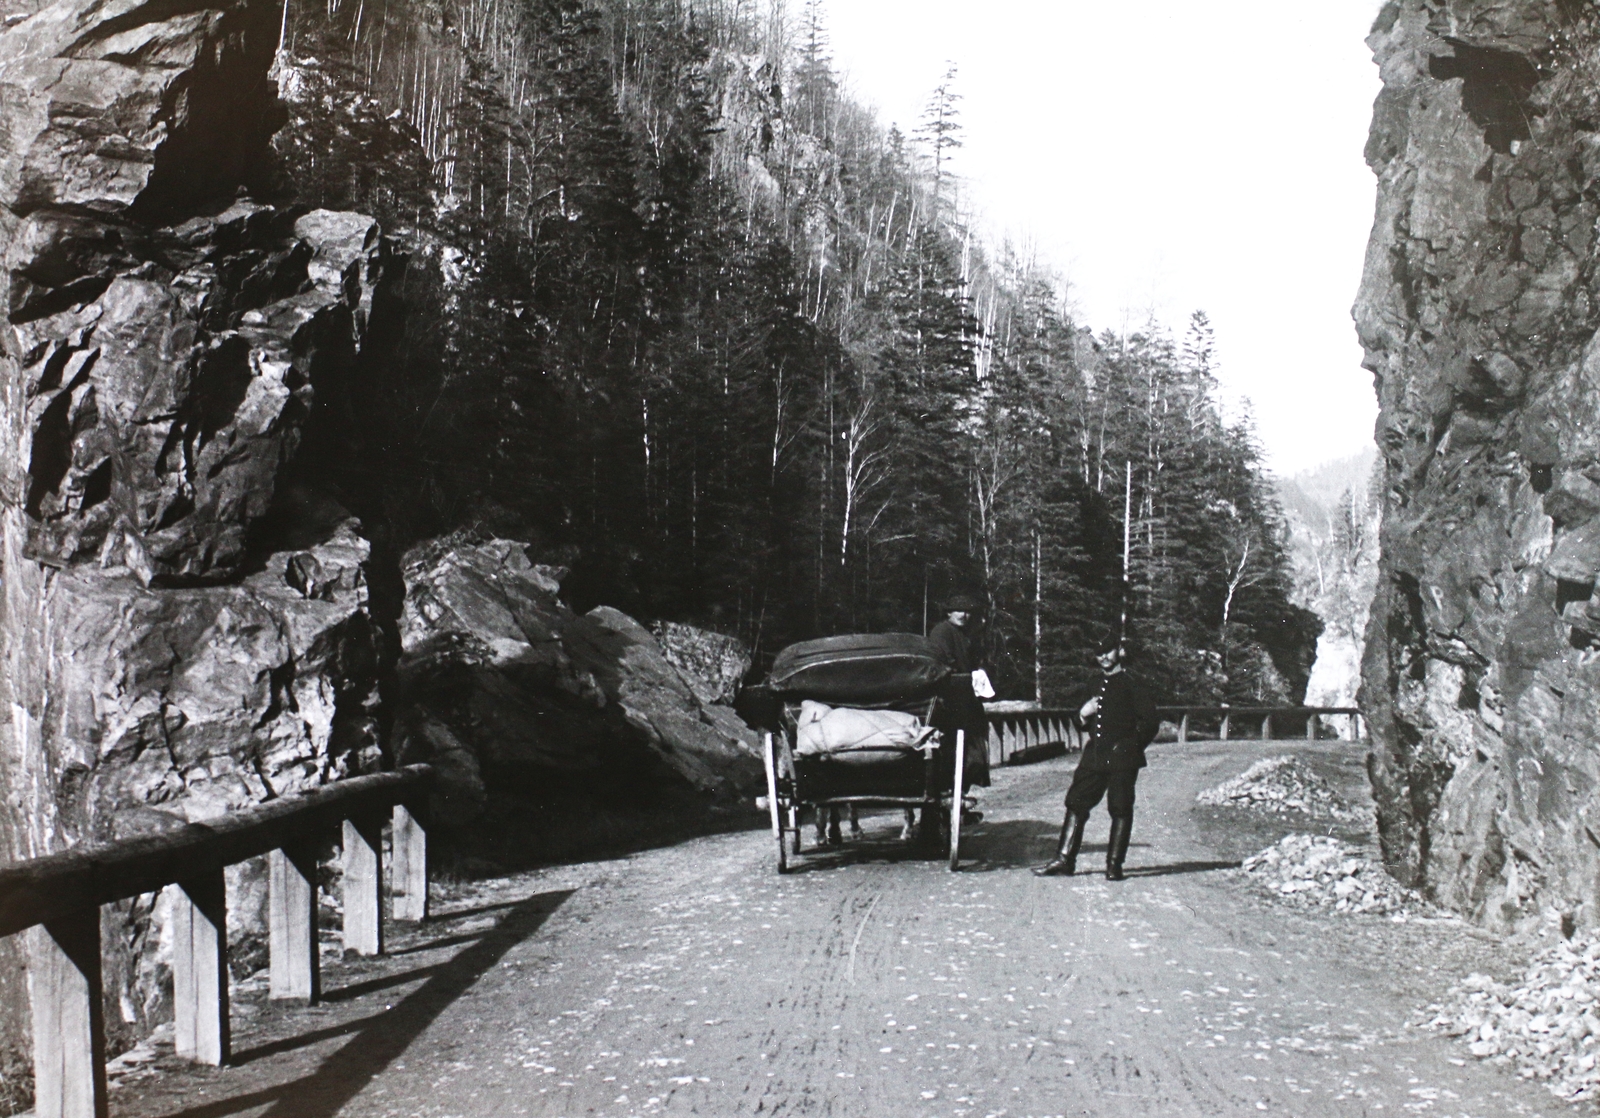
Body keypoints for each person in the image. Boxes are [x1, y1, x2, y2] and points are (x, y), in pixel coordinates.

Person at [1034, 633, 1158, 880]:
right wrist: (1082, 714)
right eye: (1099, 654)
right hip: (1094, 755)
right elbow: (1082, 722)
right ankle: (1064, 860)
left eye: (1108, 652)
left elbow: (1151, 722)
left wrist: (1131, 747)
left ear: (1119, 651)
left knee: (1120, 808)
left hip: (1123, 757)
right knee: (1076, 802)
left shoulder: (1134, 683)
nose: (1103, 658)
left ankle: (1114, 865)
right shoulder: (1093, 683)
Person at [927, 593, 991, 795]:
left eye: (968, 611)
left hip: (966, 699)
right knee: (954, 751)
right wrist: (965, 677)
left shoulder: (965, 634)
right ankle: (949, 796)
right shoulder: (942, 631)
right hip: (950, 700)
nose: (964, 615)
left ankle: (959, 796)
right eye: (959, 610)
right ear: (948, 612)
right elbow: (945, 663)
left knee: (974, 752)